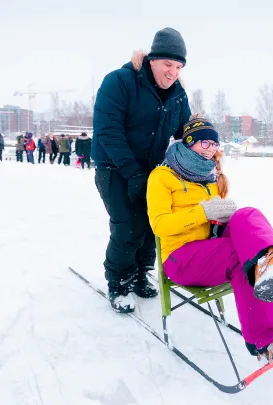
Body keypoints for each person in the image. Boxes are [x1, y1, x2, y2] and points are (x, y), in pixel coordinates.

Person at [147, 117, 273, 363]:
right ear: (189, 142)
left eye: (214, 144)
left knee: (248, 214)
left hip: (209, 250)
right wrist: (203, 212)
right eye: (206, 143)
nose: (211, 149)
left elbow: (216, 221)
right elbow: (159, 225)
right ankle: (268, 341)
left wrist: (223, 215)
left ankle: (271, 261)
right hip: (180, 258)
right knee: (242, 258)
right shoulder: (162, 176)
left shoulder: (210, 177)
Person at [92, 27, 192, 312]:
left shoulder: (178, 95)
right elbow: (108, 131)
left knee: (152, 225)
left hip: (154, 173)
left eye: (178, 66)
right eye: (168, 64)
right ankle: (119, 281)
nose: (173, 72)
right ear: (152, 60)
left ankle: (140, 274)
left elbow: (186, 131)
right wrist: (133, 172)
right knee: (127, 226)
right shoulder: (119, 82)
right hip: (113, 168)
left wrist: (204, 144)